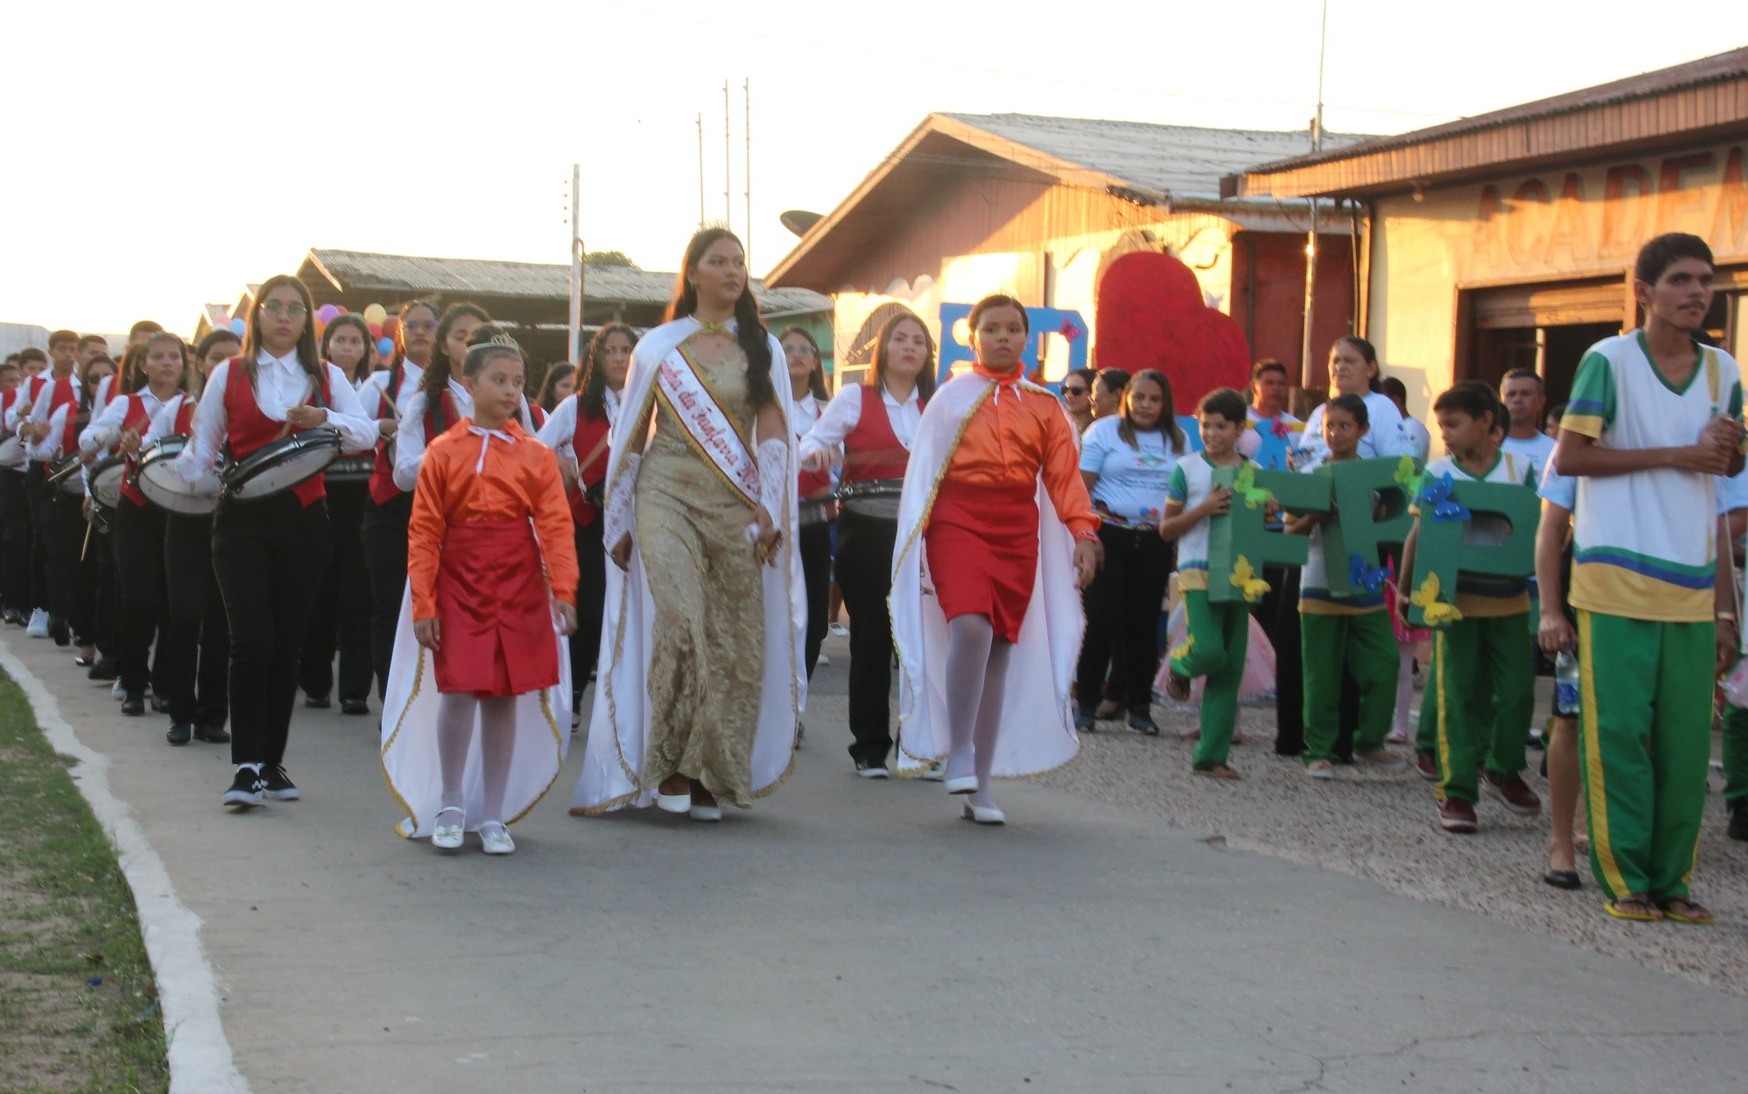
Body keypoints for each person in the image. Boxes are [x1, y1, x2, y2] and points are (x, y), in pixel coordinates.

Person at [573, 227, 805, 821]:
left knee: (734, 636)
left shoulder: (764, 347)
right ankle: (670, 766)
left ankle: (713, 775)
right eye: (718, 261)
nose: (732, 271)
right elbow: (630, 436)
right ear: (693, 273)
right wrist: (619, 518)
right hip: (665, 493)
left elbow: (775, 426)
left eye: (739, 262)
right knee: (681, 620)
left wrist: (771, 503)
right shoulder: (659, 345)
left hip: (736, 501)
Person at [1552, 232, 1743, 923]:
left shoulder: (1724, 371)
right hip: (1613, 575)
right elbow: (1571, 459)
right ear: (1644, 291)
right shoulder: (1608, 361)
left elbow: (1726, 479)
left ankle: (1674, 883)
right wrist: (1679, 454)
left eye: (1706, 281)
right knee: (1622, 733)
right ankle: (1625, 880)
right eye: (1682, 281)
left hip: (1691, 580)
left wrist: (1726, 611)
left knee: (1688, 745)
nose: (1697, 293)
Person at [891, 294, 1100, 824]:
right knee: (970, 627)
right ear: (973, 336)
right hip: (957, 520)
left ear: (1027, 338)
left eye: (1013, 329)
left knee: (1001, 648)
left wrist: (1082, 531)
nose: (1003, 337)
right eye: (992, 329)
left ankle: (980, 785)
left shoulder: (1046, 406)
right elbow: (924, 476)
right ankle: (958, 748)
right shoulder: (950, 397)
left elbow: (1062, 478)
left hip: (1016, 528)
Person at [175, 274, 379, 809]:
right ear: (259, 315)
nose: (284, 317)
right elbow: (202, 448)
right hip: (241, 520)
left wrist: (324, 417)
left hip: (305, 519)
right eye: (274, 307)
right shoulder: (228, 374)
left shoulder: (327, 376)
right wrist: (174, 475)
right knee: (251, 641)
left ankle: (272, 761)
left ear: (306, 319)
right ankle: (245, 766)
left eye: (295, 308)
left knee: (287, 644)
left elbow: (365, 432)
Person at [381, 333, 578, 854]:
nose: (511, 390)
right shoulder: (443, 453)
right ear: (469, 385)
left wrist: (564, 590)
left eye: (518, 382)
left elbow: (556, 527)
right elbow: (424, 530)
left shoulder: (535, 456)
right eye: (499, 380)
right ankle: (450, 802)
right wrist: (424, 601)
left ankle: (494, 813)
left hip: (518, 581)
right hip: (460, 579)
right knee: (460, 689)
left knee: (506, 694)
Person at [1401, 381, 1540, 833]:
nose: (1446, 434)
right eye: (1442, 426)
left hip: (1511, 603)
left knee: (1518, 693)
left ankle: (1501, 766)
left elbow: (1538, 531)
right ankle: (1457, 792)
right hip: (1455, 605)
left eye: (1455, 424)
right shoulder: (1439, 472)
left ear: (1486, 423)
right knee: (1458, 698)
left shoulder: (1521, 470)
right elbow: (1418, 536)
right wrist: (1404, 590)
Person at [799, 309, 933, 777]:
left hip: (928, 536)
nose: (910, 347)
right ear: (884, 348)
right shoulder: (855, 398)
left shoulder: (937, 403)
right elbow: (812, 441)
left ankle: (922, 745)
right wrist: (819, 450)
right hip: (867, 529)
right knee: (874, 638)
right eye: (901, 339)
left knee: (927, 640)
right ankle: (871, 747)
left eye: (919, 340)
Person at [1283, 394, 1405, 777]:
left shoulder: (1377, 476)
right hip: (1318, 582)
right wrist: (1315, 517)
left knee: (1385, 662)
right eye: (1329, 426)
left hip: (1364, 583)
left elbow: (1391, 520)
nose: (1336, 433)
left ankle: (1369, 740)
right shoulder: (1309, 472)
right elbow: (1289, 530)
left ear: (1363, 430)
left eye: (1345, 425)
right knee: (1320, 673)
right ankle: (1318, 750)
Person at [77, 331, 190, 715]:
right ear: (143, 364)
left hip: (179, 510)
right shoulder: (125, 402)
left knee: (174, 605)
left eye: (173, 356)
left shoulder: (194, 404)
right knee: (139, 598)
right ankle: (133, 683)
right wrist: (112, 436)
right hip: (136, 508)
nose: (166, 363)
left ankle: (164, 686)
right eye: (157, 357)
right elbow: (90, 437)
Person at [1074, 368, 1183, 735]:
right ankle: (1086, 703)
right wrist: (1088, 536)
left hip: (1154, 541)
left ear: (1165, 403)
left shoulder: (1178, 438)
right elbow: (1079, 488)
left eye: (1154, 399)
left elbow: (1184, 491)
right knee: (1101, 618)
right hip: (1109, 537)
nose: (1146, 405)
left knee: (1143, 626)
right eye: (1139, 398)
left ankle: (1139, 708)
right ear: (1126, 399)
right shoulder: (1103, 431)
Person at [1158, 389, 1254, 779]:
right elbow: (1166, 529)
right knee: (1210, 651)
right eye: (1205, 425)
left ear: (1239, 429)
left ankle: (1211, 756)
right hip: (1197, 571)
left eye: (1221, 426)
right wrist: (1204, 508)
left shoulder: (1250, 471)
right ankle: (1179, 665)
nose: (1211, 433)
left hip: (1240, 576)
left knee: (1228, 670)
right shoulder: (1187, 468)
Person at [537, 322, 633, 709]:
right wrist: (558, 457)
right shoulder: (575, 406)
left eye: (627, 349)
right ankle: (573, 693)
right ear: (596, 357)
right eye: (610, 350)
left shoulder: (652, 406)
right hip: (588, 522)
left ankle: (625, 704)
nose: (619, 357)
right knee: (590, 612)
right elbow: (534, 449)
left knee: (630, 616)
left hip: (637, 523)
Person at [144, 335, 231, 747]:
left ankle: (213, 716)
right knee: (183, 617)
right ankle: (180, 712)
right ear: (199, 361)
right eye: (216, 358)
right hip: (183, 522)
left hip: (231, 524)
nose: (224, 366)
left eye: (233, 359)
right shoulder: (174, 410)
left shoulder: (254, 409)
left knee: (221, 621)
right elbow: (151, 456)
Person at [358, 300, 441, 701]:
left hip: (444, 506)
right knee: (389, 601)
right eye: (414, 325)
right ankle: (391, 698)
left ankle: (431, 696)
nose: (422, 331)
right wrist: (380, 427)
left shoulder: (458, 387)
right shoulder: (377, 385)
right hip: (390, 502)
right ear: (400, 332)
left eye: (430, 325)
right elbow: (351, 432)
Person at [300, 313, 375, 714]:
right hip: (320, 493)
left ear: (366, 349)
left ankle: (354, 689)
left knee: (358, 592)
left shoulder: (377, 387)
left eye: (355, 341)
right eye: (340, 340)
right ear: (325, 345)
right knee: (319, 588)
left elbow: (377, 433)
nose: (347, 348)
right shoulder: (313, 385)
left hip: (365, 497)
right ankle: (314, 681)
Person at [779, 327, 833, 681]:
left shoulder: (831, 411)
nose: (797, 354)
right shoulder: (759, 408)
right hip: (771, 525)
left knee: (813, 622)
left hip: (815, 523)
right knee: (772, 617)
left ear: (815, 361)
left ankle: (799, 702)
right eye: (787, 349)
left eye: (805, 349)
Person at [1296, 337, 1409, 467]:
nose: (1340, 366)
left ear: (1371, 369)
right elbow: (1303, 460)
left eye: (1349, 361)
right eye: (1335, 361)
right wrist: (1295, 461)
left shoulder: (1381, 406)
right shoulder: (1319, 411)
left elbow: (1400, 464)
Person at [1499, 368, 1556, 483]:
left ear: (1541, 401)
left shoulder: (1554, 451)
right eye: (1511, 394)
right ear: (1501, 400)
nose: (1517, 399)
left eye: (1525, 394)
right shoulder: (1487, 447)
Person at [1379, 376, 1430, 462]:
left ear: (1396, 401)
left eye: (1382, 403)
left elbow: (1411, 463)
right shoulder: (1391, 427)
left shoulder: (1412, 427)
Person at [1060, 367, 1097, 432]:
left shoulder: (1099, 430)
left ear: (1093, 393)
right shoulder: (1057, 427)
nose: (1068, 395)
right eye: (1065, 390)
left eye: (1076, 391)